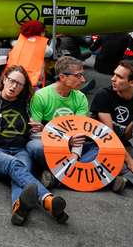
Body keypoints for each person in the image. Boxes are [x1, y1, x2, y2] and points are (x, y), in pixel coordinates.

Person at [0, 66, 69, 225]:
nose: (13, 86)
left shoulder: (27, 104)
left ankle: (18, 208)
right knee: (15, 166)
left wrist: (40, 127)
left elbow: (38, 124)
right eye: (11, 81)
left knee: (20, 175)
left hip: (20, 150)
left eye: (19, 84)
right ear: (4, 79)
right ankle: (47, 199)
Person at [25, 56, 90, 186]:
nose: (83, 80)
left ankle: (53, 174)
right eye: (78, 75)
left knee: (98, 147)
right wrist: (65, 139)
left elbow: (79, 133)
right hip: (47, 144)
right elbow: (35, 133)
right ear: (62, 77)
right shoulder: (41, 96)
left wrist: (74, 155)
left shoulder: (81, 98)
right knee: (36, 147)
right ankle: (69, 172)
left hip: (70, 146)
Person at [89, 59, 133, 192]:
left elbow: (126, 135)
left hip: (122, 145)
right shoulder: (103, 95)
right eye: (114, 74)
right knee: (115, 163)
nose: (113, 79)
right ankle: (120, 176)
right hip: (100, 143)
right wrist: (130, 161)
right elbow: (110, 135)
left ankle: (123, 180)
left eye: (119, 77)